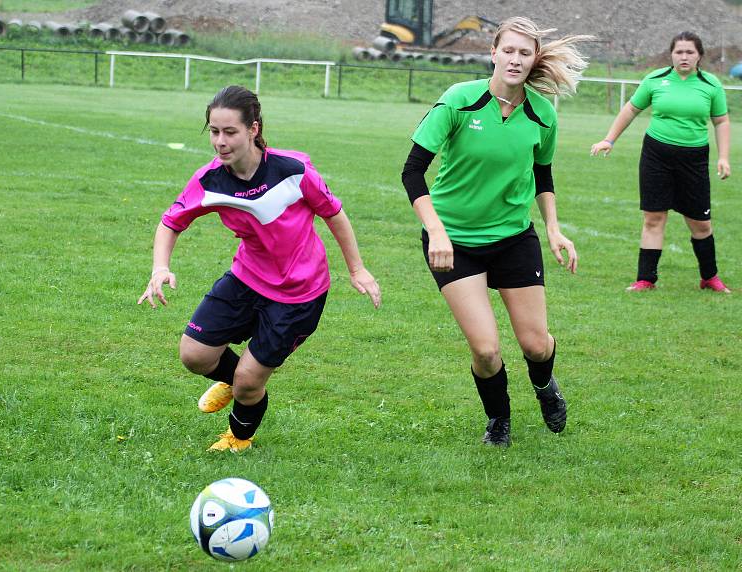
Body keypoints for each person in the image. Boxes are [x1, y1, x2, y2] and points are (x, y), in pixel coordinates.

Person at [138, 85, 381, 452]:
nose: (220, 141)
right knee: (194, 354)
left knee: (250, 382)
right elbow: (171, 222)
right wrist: (160, 267)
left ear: (253, 129)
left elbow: (334, 214)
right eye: (214, 132)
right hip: (247, 278)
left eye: (230, 132)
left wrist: (357, 269)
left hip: (299, 293)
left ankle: (239, 437)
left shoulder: (291, 171)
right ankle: (232, 378)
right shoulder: (209, 179)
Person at [401, 17, 591, 447]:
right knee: (486, 351)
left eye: (525, 53)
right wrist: (438, 233)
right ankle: (499, 419)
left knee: (537, 346)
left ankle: (545, 387)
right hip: (454, 243)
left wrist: (555, 231)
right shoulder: (460, 100)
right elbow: (412, 172)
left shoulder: (543, 114)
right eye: (509, 50)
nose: (516, 59)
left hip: (512, 240)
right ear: (493, 52)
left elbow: (543, 177)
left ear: (534, 59)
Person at [591, 31, 732, 293]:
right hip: (657, 155)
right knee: (654, 217)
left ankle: (709, 277)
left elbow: (721, 121)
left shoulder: (711, 85)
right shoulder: (655, 80)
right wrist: (609, 140)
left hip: (694, 158)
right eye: (679, 52)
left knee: (700, 223)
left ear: (699, 55)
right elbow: (631, 109)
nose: (684, 57)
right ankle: (646, 279)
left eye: (690, 52)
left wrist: (723, 157)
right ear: (672, 54)